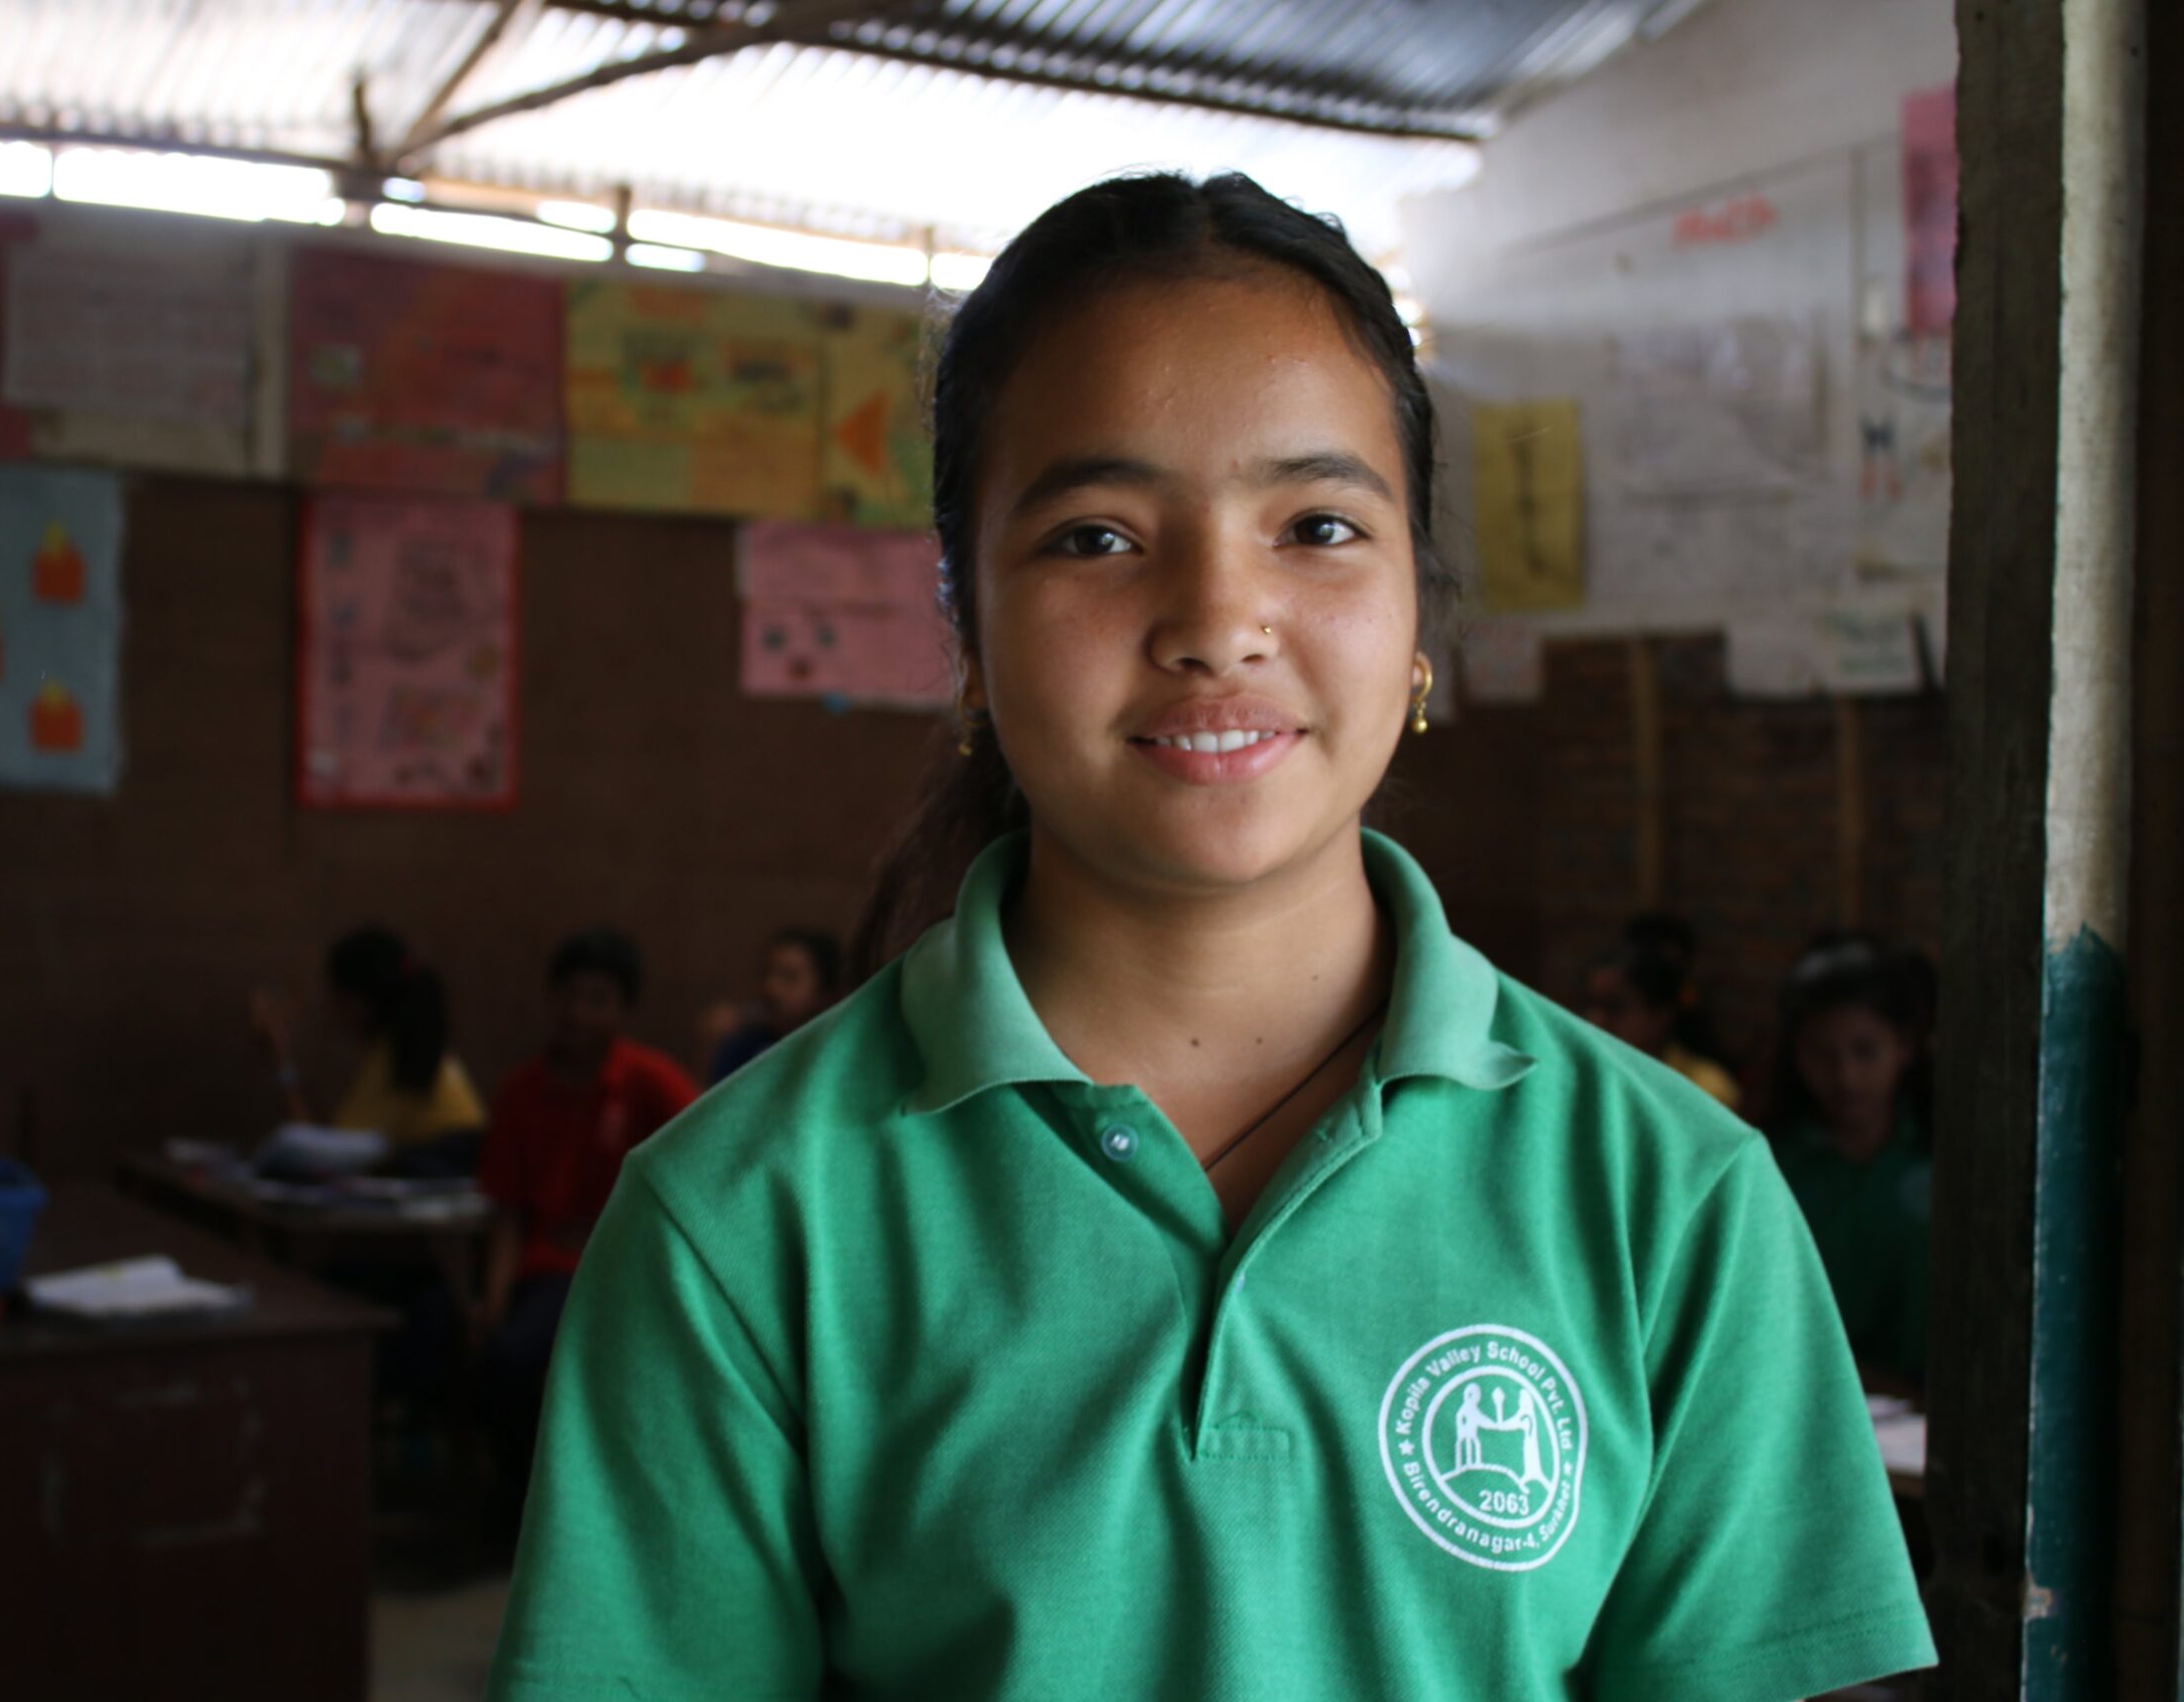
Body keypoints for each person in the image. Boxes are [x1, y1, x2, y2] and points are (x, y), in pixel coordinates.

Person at [486, 175, 1933, 1702]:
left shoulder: (1668, 1196)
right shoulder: (744, 1221)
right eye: (1098, 535)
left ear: (1422, 622)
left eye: (1316, 524)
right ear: (967, 637)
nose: (1219, 616)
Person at [473, 928, 697, 1504]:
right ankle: (516, 1499)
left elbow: (705, 1165)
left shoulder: (650, 1081)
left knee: (531, 1360)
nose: (578, 1013)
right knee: (497, 1353)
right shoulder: (523, 1089)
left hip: (621, 1268)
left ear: (624, 1009)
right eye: (569, 995)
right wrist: (493, 1298)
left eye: (597, 1000)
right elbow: (507, 1211)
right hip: (547, 1267)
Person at [1766, 932, 1937, 1397]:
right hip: (1808, 1398)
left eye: (1865, 1051)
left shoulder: (1944, 1160)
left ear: (1905, 1046)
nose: (1845, 1076)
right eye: (1821, 1054)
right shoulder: (1770, 1167)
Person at [252, 926, 485, 1161]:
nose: (330, 1010)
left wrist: (283, 1061)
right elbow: (337, 1138)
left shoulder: (406, 1060)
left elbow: (322, 1154)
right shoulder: (400, 1052)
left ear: (356, 1001)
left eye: (335, 997)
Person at [1577, 912, 1742, 1110]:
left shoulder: (1704, 1088)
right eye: (1590, 1004)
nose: (1596, 1020)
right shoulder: (1585, 1077)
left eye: (1615, 1007)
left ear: (1661, 1015)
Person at [701, 925, 845, 1082]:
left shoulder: (834, 1052)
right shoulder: (743, 1046)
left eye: (789, 977)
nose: (771, 988)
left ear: (824, 992)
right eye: (766, 973)